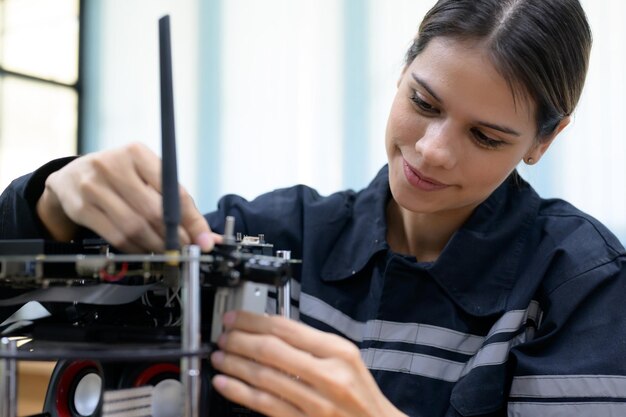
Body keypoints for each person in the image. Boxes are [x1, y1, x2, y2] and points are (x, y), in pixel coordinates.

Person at [2, 0, 626, 415]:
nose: (433, 152)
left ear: (545, 139)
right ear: (406, 66)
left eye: (485, 137)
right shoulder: (268, 234)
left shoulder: (580, 287)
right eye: (424, 102)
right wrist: (50, 207)